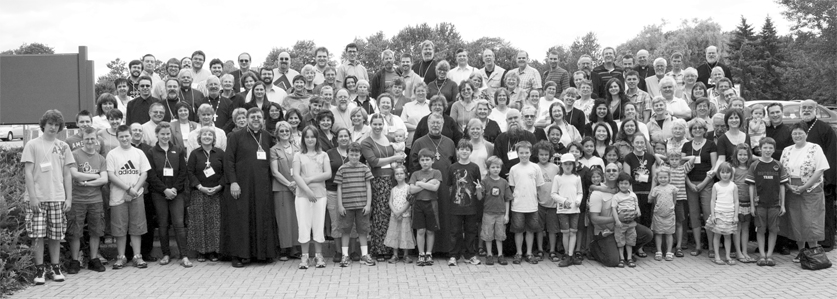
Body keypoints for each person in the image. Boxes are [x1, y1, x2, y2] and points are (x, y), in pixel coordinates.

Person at [24, 110, 75, 284]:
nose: (53, 127)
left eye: (56, 125)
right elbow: (28, 172)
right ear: (43, 125)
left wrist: (68, 198)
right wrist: (32, 197)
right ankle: (40, 270)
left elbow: (67, 174)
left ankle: (55, 267)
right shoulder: (32, 145)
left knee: (55, 235)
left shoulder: (63, 146)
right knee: (37, 235)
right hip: (37, 198)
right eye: (50, 124)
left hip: (57, 197)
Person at [223, 108, 278, 268]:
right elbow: (229, 161)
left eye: (258, 117)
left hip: (262, 186)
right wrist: (233, 182)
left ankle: (262, 254)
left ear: (263, 120)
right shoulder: (235, 136)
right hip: (242, 185)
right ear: (246, 119)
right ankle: (240, 255)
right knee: (242, 220)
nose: (255, 119)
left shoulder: (267, 136)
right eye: (252, 117)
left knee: (262, 217)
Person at [780, 122, 830, 263]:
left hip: (811, 188)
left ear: (806, 134)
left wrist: (805, 186)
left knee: (810, 220)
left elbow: (820, 169)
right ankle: (801, 251)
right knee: (796, 220)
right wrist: (789, 186)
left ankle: (814, 251)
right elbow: (782, 171)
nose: (797, 135)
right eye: (795, 133)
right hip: (792, 189)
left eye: (800, 133)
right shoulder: (787, 150)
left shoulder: (815, 148)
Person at [144, 122, 190, 267]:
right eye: (162, 134)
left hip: (177, 193)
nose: (165, 136)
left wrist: (175, 189)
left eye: (167, 134)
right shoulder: (151, 152)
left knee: (179, 224)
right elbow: (151, 175)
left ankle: (184, 256)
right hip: (159, 194)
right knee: (163, 224)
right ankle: (165, 254)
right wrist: (164, 190)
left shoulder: (178, 149)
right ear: (156, 135)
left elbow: (183, 172)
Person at [361, 114, 406, 261]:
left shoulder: (391, 139)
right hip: (378, 181)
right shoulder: (366, 142)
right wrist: (393, 158)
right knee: (380, 215)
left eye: (380, 124)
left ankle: (393, 248)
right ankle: (379, 249)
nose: (378, 127)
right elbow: (373, 161)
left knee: (392, 213)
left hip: (393, 180)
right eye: (375, 124)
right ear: (370, 124)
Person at [410, 113, 456, 256]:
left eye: (438, 123)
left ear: (442, 124)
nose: (435, 125)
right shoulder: (419, 142)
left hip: (444, 186)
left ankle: (444, 248)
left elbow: (453, 163)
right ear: (428, 124)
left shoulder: (449, 142)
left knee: (443, 215)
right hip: (424, 187)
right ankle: (425, 251)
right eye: (433, 123)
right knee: (425, 219)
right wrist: (423, 180)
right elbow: (413, 164)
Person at [106, 124, 151, 270]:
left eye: (127, 136)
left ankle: (137, 256)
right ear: (117, 138)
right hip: (118, 197)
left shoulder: (139, 153)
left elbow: (144, 173)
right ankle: (121, 256)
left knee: (136, 227)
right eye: (121, 136)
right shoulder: (112, 154)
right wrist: (127, 189)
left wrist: (134, 190)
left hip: (136, 196)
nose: (125, 139)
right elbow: (111, 175)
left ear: (130, 136)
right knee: (120, 228)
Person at [67, 127, 108, 274]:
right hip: (77, 199)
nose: (90, 141)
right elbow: (75, 175)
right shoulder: (74, 155)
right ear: (82, 139)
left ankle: (93, 259)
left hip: (95, 200)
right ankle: (75, 261)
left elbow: (105, 179)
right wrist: (95, 176)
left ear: (96, 139)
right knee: (75, 232)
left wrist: (86, 182)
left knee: (96, 231)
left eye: (92, 138)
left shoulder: (100, 158)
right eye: (87, 139)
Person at [797, 100, 837, 250]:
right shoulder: (797, 127)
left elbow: (832, 153)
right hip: (801, 180)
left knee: (824, 211)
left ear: (816, 110)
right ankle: (805, 241)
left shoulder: (825, 129)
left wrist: (829, 178)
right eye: (804, 108)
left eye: (809, 108)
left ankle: (826, 242)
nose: (806, 110)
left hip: (822, 178)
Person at [292, 126, 332, 269]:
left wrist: (309, 180)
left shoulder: (323, 155)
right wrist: (307, 190)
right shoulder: (298, 155)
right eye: (307, 137)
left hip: (320, 194)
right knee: (303, 224)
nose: (310, 139)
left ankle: (318, 255)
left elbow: (328, 173)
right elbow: (296, 175)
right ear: (303, 139)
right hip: (303, 195)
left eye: (312, 137)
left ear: (317, 138)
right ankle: (304, 256)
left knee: (318, 224)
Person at [746, 137, 788, 266]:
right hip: (760, 204)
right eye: (765, 147)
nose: (768, 150)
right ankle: (762, 255)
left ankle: (769, 255)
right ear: (760, 149)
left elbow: (782, 186)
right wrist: (752, 205)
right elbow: (751, 186)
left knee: (773, 229)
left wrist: (783, 204)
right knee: (760, 229)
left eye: (770, 148)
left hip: (775, 204)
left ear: (774, 149)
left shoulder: (778, 165)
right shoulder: (755, 165)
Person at [186, 127, 224, 263]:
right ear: (199, 138)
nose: (207, 137)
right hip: (199, 192)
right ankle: (201, 251)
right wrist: (200, 187)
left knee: (215, 222)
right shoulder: (194, 154)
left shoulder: (220, 153)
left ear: (214, 138)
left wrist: (219, 186)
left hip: (217, 192)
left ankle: (213, 251)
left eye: (210, 135)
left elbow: (226, 172)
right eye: (204, 135)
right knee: (199, 222)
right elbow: (189, 172)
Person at [443, 140, 483, 266]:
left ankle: (470, 254)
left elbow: (478, 185)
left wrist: (478, 190)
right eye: (462, 149)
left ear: (471, 151)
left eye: (467, 149)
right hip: (455, 206)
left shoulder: (475, 167)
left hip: (471, 206)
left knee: (471, 231)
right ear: (457, 151)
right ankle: (453, 256)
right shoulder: (452, 167)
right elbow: (449, 186)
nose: (464, 151)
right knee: (455, 231)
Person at [334, 142, 375, 267]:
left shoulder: (364, 168)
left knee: (363, 230)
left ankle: (364, 255)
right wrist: (340, 205)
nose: (354, 157)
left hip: (362, 206)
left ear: (360, 154)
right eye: (351, 154)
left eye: (356, 154)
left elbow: (368, 187)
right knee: (345, 230)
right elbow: (339, 188)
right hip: (347, 206)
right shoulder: (342, 169)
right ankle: (345, 256)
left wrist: (368, 204)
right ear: (347, 154)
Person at [325, 128, 360, 262]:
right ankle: (338, 251)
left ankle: (352, 251)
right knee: (336, 222)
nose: (344, 138)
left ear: (349, 138)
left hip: (352, 192)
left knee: (353, 223)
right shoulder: (329, 153)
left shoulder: (354, 152)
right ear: (337, 138)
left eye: (346, 136)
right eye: (341, 136)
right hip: (333, 191)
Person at [508, 141, 545, 264]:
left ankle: (529, 253)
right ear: (517, 154)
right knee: (518, 230)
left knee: (530, 230)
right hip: (518, 205)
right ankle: (518, 253)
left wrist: (535, 198)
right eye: (521, 153)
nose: (524, 155)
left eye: (526, 152)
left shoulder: (535, 167)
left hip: (532, 205)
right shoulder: (514, 169)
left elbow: (539, 186)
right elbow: (512, 187)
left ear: (530, 153)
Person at [269, 122, 301, 261]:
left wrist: (297, 184)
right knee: (283, 219)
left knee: (295, 218)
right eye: (281, 131)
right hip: (282, 188)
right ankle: (283, 248)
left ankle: (295, 247)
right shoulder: (274, 150)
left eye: (287, 130)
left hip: (297, 188)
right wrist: (289, 184)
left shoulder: (297, 148)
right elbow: (275, 172)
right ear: (277, 133)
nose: (284, 133)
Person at [409, 149, 442, 266]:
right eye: (422, 160)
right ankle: (421, 254)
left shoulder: (437, 173)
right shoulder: (415, 174)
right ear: (419, 161)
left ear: (433, 160)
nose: (425, 162)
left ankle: (429, 253)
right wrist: (428, 183)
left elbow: (435, 188)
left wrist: (420, 184)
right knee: (420, 230)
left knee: (430, 230)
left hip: (431, 204)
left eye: (427, 159)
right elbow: (412, 190)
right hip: (418, 204)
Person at [550, 153, 583, 266]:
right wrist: (563, 201)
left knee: (573, 232)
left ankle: (570, 254)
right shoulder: (558, 178)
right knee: (565, 233)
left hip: (574, 209)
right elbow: (553, 194)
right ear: (561, 165)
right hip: (563, 210)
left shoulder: (577, 177)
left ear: (574, 165)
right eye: (565, 164)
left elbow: (580, 192)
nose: (568, 166)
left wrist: (578, 200)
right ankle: (567, 254)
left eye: (570, 164)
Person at [480, 156, 512, 266]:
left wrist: (507, 215)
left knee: (500, 235)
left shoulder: (504, 182)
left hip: (501, 213)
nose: (495, 169)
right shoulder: (485, 181)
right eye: (493, 167)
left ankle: (500, 254)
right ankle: (489, 254)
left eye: (498, 167)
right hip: (488, 212)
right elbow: (480, 197)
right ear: (488, 168)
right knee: (488, 234)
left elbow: (507, 199)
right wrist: (478, 189)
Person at [623, 134, 656, 238]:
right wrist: (631, 195)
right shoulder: (628, 158)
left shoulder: (651, 158)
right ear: (632, 143)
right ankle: (637, 246)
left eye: (642, 142)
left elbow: (654, 176)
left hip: (647, 192)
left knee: (647, 218)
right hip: (635, 192)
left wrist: (652, 192)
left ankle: (643, 243)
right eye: (637, 142)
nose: (639, 144)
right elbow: (628, 178)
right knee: (637, 218)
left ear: (645, 144)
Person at [708, 162, 739, 265]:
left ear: (731, 173)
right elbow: (712, 200)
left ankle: (727, 255)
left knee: (727, 236)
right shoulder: (716, 185)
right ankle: (717, 256)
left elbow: (736, 201)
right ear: (719, 173)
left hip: (729, 213)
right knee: (717, 235)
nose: (725, 174)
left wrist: (735, 215)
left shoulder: (733, 186)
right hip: (719, 213)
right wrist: (713, 215)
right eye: (722, 172)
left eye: (727, 172)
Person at [492, 109, 538, 179]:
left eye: (515, 118)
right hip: (506, 177)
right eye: (510, 119)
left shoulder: (530, 136)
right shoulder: (500, 138)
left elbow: (534, 157)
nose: (513, 121)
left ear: (521, 119)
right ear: (506, 121)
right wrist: (506, 175)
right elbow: (498, 159)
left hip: (527, 175)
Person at [535, 141, 561, 263]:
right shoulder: (535, 167)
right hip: (539, 203)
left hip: (553, 204)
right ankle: (540, 250)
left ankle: (552, 250)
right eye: (541, 154)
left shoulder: (555, 168)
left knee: (552, 229)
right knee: (539, 228)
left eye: (546, 154)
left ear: (550, 155)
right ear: (537, 155)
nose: (544, 156)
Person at [384, 165, 416, 264]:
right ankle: (395, 255)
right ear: (394, 176)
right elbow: (390, 202)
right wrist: (395, 212)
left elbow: (409, 202)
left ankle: (406, 255)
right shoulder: (393, 189)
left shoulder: (408, 188)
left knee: (405, 234)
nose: (399, 175)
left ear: (406, 175)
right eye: (397, 174)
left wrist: (400, 212)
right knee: (395, 233)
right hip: (394, 216)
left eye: (401, 173)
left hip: (405, 215)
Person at [648, 166, 677, 262]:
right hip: (658, 215)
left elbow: (674, 200)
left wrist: (671, 208)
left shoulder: (673, 188)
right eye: (661, 177)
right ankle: (659, 251)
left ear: (669, 177)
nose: (663, 179)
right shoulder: (656, 189)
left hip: (669, 214)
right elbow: (655, 201)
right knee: (658, 233)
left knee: (669, 233)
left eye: (665, 177)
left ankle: (669, 252)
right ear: (657, 178)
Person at [612, 172, 640, 268]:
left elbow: (636, 205)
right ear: (618, 184)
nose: (623, 185)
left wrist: (638, 211)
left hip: (631, 223)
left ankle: (629, 258)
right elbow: (614, 209)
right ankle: (621, 258)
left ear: (630, 185)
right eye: (621, 183)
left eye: (626, 183)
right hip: (621, 224)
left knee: (630, 241)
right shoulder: (616, 196)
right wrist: (617, 220)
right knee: (620, 241)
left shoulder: (633, 195)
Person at [666, 150, 689, 257]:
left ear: (680, 160)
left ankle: (678, 246)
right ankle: (668, 246)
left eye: (676, 159)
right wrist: (668, 157)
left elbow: (692, 158)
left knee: (679, 223)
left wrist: (682, 158)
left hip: (679, 200)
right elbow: (656, 156)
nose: (674, 162)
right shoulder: (666, 169)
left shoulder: (683, 168)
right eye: (672, 159)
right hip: (667, 200)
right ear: (668, 160)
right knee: (667, 223)